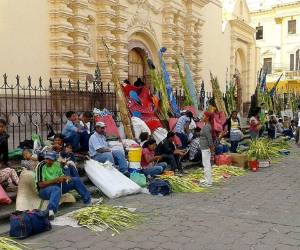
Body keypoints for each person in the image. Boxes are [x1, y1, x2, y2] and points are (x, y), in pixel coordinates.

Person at [36, 151, 91, 220]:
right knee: (56, 189)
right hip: (44, 190)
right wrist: (56, 180)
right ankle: (51, 211)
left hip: (58, 185)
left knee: (76, 180)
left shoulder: (56, 164)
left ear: (55, 160)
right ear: (45, 158)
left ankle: (88, 201)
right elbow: (41, 185)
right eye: (47, 159)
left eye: (51, 160)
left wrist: (65, 178)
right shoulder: (41, 166)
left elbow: (61, 176)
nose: (49, 161)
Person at [199, 112, 214, 188]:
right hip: (204, 148)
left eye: (204, 116)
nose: (202, 117)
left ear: (207, 118)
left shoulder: (207, 126)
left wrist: (211, 148)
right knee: (206, 164)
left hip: (206, 148)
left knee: (206, 165)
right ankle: (207, 180)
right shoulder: (205, 125)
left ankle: (208, 182)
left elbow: (209, 138)